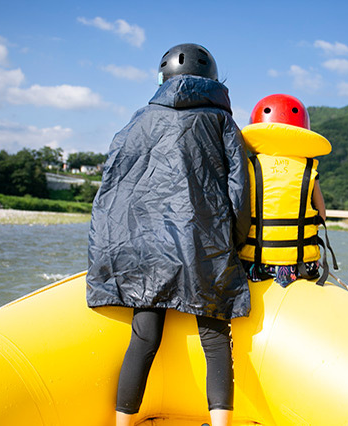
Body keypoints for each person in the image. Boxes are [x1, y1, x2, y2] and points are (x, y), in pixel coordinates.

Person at [86, 43, 251, 426]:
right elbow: (239, 193)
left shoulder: (138, 120)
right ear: (211, 80)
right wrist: (235, 245)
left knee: (144, 337)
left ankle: (122, 423)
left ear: (163, 80)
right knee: (214, 339)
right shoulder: (222, 122)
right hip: (203, 245)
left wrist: (114, 251)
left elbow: (112, 189)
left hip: (145, 250)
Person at [238, 94, 337, 287]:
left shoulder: (250, 168)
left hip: (255, 266)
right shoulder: (308, 170)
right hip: (301, 267)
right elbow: (322, 216)